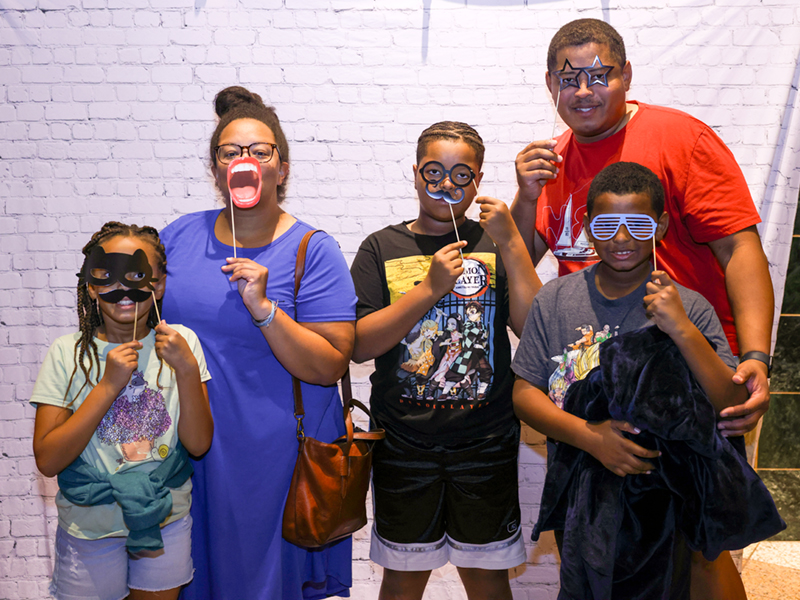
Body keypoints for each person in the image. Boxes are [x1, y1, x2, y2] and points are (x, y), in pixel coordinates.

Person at [509, 20, 773, 597]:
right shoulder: (551, 164)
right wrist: (524, 199)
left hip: (690, 376)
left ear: (625, 75)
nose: (584, 90)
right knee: (604, 543)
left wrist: (755, 357)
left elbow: (739, 246)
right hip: (597, 389)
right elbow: (518, 270)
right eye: (569, 78)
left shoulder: (679, 138)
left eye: (599, 74)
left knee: (701, 541)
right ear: (550, 84)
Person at [512, 161, 756, 599]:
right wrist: (591, 437)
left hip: (667, 502)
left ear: (660, 226)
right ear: (587, 227)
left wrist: (680, 327)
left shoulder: (690, 306)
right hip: (580, 492)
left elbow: (728, 401)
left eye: (637, 223)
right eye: (607, 224)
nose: (621, 238)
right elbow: (525, 393)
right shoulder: (556, 299)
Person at [159, 86, 357, 600]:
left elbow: (329, 365)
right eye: (231, 152)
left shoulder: (313, 249)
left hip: (278, 457)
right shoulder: (177, 239)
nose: (244, 160)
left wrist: (266, 311)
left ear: (281, 168)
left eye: (259, 151)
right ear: (216, 168)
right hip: (195, 447)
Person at [350, 121, 542, 600]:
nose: (446, 185)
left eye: (462, 175)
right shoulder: (381, 247)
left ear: (478, 179)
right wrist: (430, 289)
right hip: (404, 443)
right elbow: (359, 344)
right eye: (434, 172)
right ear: (416, 173)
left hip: (486, 441)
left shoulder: (493, 241)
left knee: (487, 576)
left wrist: (513, 242)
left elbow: (530, 328)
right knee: (403, 576)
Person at [31, 222, 213, 600]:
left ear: (158, 284)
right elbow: (48, 459)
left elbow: (197, 444)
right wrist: (109, 385)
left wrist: (187, 369)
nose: (122, 288)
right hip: (89, 524)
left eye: (137, 274)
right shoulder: (68, 353)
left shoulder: (184, 344)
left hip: (165, 517)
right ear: (92, 287)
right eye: (107, 276)